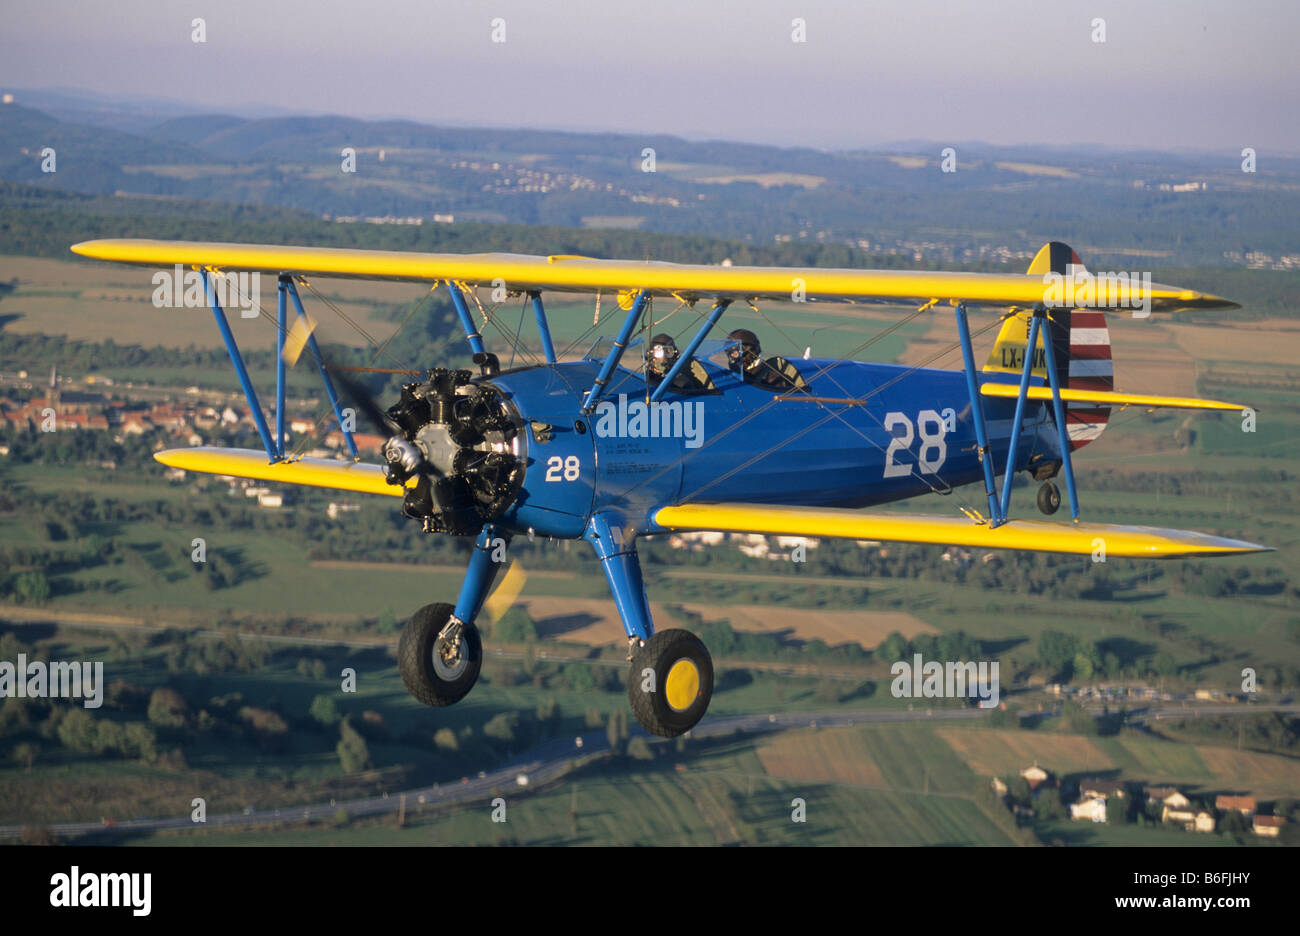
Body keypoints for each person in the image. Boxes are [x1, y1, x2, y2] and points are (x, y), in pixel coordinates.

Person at [726, 328, 809, 392]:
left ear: (749, 352)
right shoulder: (740, 377)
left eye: (735, 354)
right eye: (730, 354)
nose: (732, 359)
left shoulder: (772, 379)